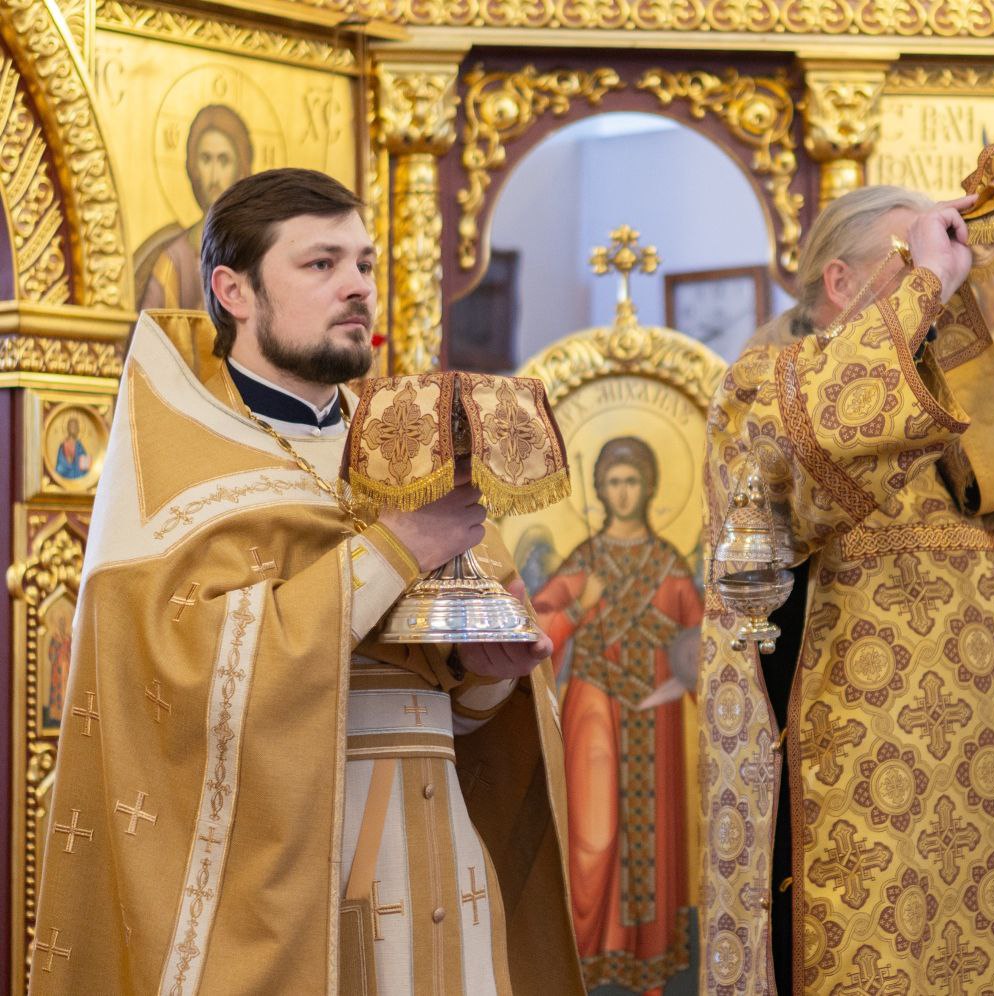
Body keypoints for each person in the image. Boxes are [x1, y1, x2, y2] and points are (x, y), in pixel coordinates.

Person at [30, 168, 584, 995]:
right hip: (293, 901)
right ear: (234, 291)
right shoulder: (178, 465)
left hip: (446, 876)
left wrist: (489, 680)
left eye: (363, 264)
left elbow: (462, 715)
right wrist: (396, 548)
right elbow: (177, 691)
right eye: (321, 264)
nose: (356, 287)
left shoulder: (409, 451)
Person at [698, 185, 994, 994]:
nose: (950, 278)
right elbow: (815, 463)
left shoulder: (971, 417)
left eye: (951, 262)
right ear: (839, 283)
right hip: (861, 797)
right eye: (916, 256)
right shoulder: (766, 386)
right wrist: (922, 287)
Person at [531, 437, 703, 995]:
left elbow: (704, 654)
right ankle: (579, 961)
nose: (623, 492)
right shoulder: (585, 561)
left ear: (648, 486)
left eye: (631, 481)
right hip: (594, 712)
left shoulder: (669, 565)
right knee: (593, 837)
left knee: (652, 844)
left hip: (655, 720)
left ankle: (648, 968)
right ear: (601, 489)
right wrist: (577, 606)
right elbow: (537, 629)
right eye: (613, 482)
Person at [135, 104, 254, 311]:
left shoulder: (256, 254)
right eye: (206, 159)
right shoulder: (173, 260)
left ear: (241, 168)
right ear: (193, 166)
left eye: (224, 160)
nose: (214, 176)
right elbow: (149, 326)